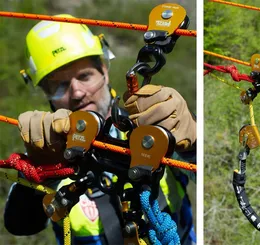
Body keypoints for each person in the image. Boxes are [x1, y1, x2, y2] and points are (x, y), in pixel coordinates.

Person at [3, 14, 197, 245]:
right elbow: (21, 224)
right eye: (59, 86)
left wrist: (192, 141)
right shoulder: (48, 151)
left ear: (104, 70)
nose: (77, 92)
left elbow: (208, 173)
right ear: (46, 95)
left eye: (85, 76)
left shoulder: (151, 127)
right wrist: (44, 169)